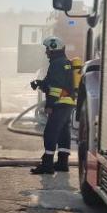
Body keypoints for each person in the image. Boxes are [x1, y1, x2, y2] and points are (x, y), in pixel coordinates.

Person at [29, 36, 76, 175]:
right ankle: (62, 162)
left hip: (59, 103)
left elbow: (55, 87)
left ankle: (47, 164)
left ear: (53, 48)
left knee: (50, 132)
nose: (46, 52)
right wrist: (39, 83)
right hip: (67, 103)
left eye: (47, 49)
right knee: (63, 132)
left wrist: (50, 104)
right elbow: (52, 83)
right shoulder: (63, 62)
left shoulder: (56, 64)